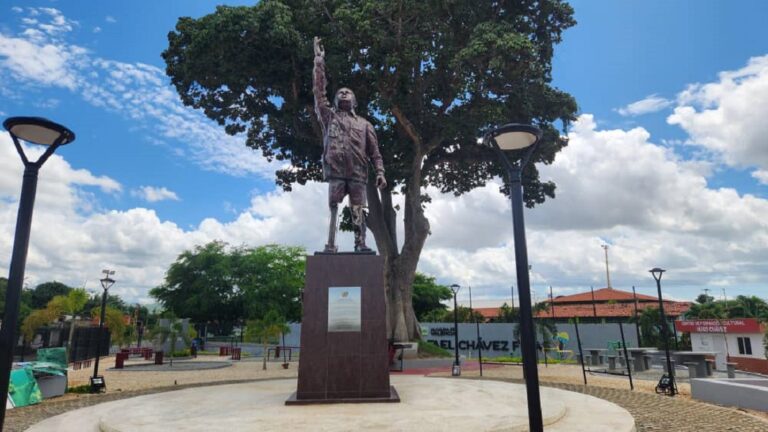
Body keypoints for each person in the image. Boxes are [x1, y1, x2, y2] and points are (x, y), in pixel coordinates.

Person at [313, 36, 386, 253]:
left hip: (357, 172)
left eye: (348, 92)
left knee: (357, 208)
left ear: (354, 101)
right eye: (340, 92)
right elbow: (319, 93)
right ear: (335, 101)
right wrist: (319, 62)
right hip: (336, 170)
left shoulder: (365, 124)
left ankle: (360, 243)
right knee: (333, 206)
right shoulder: (329, 117)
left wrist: (380, 172)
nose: (344, 93)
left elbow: (375, 152)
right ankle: (330, 243)